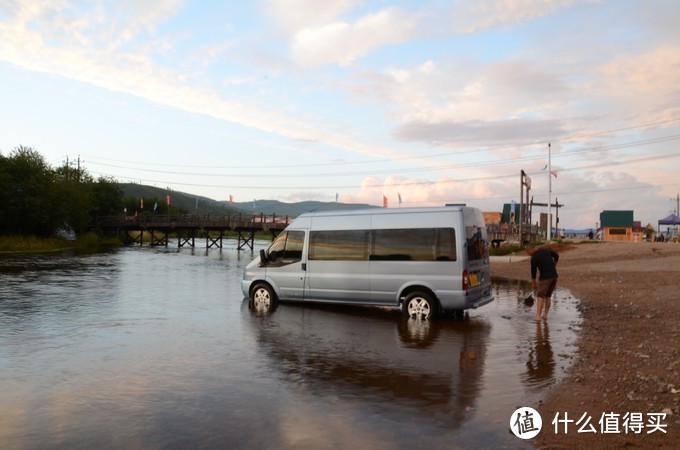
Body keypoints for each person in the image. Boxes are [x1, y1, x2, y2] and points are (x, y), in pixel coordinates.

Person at [526, 245, 559, 321]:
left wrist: (534, 284)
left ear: (530, 251)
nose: (527, 254)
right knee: (548, 296)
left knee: (540, 296)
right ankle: (545, 315)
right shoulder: (546, 250)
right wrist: (554, 266)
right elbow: (556, 256)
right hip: (554, 276)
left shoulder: (534, 258)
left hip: (545, 278)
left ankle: (538, 316)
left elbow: (533, 273)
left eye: (527, 252)